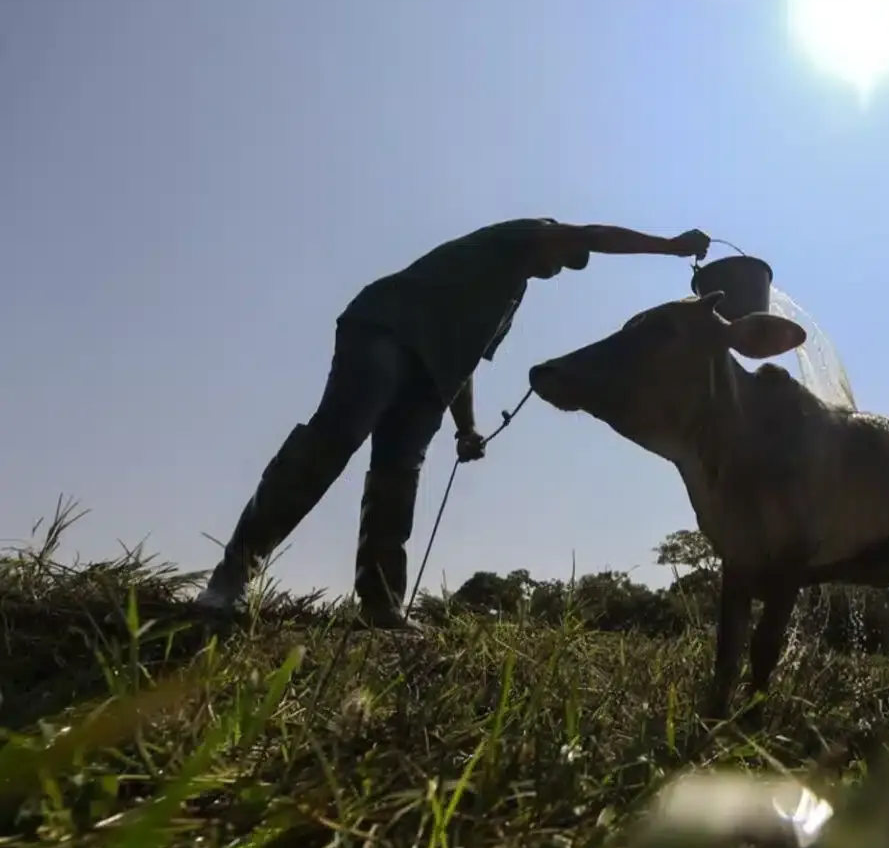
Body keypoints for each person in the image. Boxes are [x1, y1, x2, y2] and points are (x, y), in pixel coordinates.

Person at [192, 218, 712, 629]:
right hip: (388, 327)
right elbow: (594, 236)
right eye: (564, 256)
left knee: (399, 472)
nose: (561, 267)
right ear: (554, 238)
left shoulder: (507, 301)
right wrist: (669, 246)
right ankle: (234, 573)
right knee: (338, 434)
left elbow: (461, 366)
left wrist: (467, 428)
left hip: (432, 370)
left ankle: (380, 607)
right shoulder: (515, 236)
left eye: (569, 265)